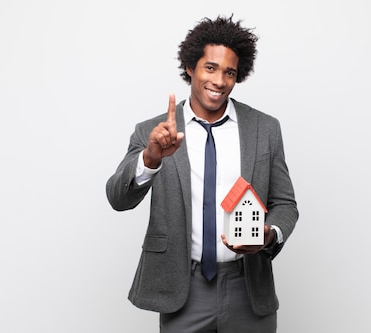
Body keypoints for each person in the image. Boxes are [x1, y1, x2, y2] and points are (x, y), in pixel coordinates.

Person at [106, 14, 298, 333]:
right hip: (183, 288)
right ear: (190, 67)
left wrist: (269, 234)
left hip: (248, 287)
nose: (219, 81)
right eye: (210, 67)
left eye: (229, 72)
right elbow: (118, 198)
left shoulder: (265, 129)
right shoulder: (153, 132)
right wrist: (150, 158)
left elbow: (285, 204)